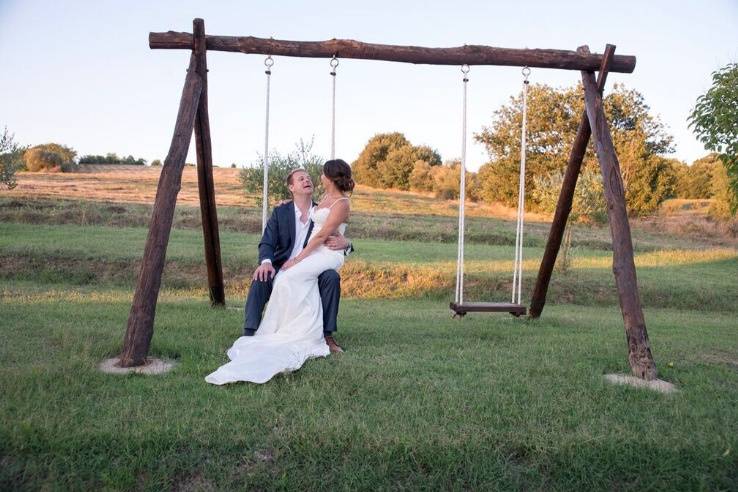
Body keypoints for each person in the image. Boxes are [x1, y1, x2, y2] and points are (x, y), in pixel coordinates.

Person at [205, 160, 354, 385]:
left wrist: (347, 244)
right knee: (263, 275)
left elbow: (329, 233)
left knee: (330, 278)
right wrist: (266, 262)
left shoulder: (323, 204)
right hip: (285, 262)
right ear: (291, 188)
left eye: (309, 177)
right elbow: (266, 242)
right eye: (300, 178)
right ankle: (251, 331)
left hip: (312, 259)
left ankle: (326, 335)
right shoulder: (282, 211)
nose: (307, 179)